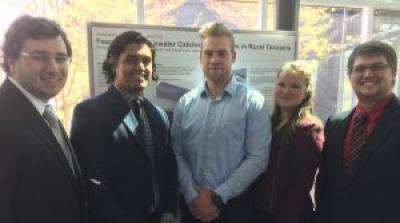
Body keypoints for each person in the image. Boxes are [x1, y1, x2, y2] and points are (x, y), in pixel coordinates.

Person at [70, 31, 177, 223]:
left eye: (146, 60)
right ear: (113, 63)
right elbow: (92, 182)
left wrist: (168, 211)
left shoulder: (159, 116)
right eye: (131, 59)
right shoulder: (89, 113)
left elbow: (169, 168)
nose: (140, 67)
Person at [171, 22, 271, 223]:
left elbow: (257, 158)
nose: (214, 60)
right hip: (192, 208)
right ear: (200, 58)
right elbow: (176, 152)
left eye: (221, 53)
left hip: (235, 209)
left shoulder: (253, 102)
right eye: (208, 53)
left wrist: (216, 197)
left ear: (233, 56)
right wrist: (193, 196)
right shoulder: (185, 103)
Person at [0, 15, 87, 223]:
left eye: (61, 58)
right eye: (39, 56)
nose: (54, 68)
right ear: (11, 62)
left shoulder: (46, 115)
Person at [314, 40, 400, 223]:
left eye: (377, 67)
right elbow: (325, 184)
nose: (368, 74)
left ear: (393, 73)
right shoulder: (335, 123)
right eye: (360, 68)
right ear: (350, 75)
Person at [253, 60, 324, 223]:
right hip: (261, 213)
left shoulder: (308, 128)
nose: (286, 91)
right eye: (281, 84)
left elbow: (300, 186)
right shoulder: (269, 123)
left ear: (306, 92)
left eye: (295, 86)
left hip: (288, 216)